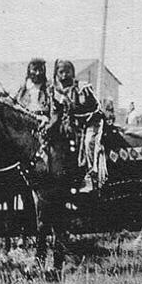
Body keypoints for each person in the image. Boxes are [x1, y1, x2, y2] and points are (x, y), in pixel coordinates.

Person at [49, 59, 102, 190]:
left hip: (87, 124)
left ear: (73, 73)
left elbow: (95, 109)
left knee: (89, 142)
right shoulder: (52, 90)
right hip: (65, 126)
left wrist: (78, 117)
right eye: (60, 72)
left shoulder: (82, 88)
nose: (64, 75)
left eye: (67, 72)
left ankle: (90, 174)